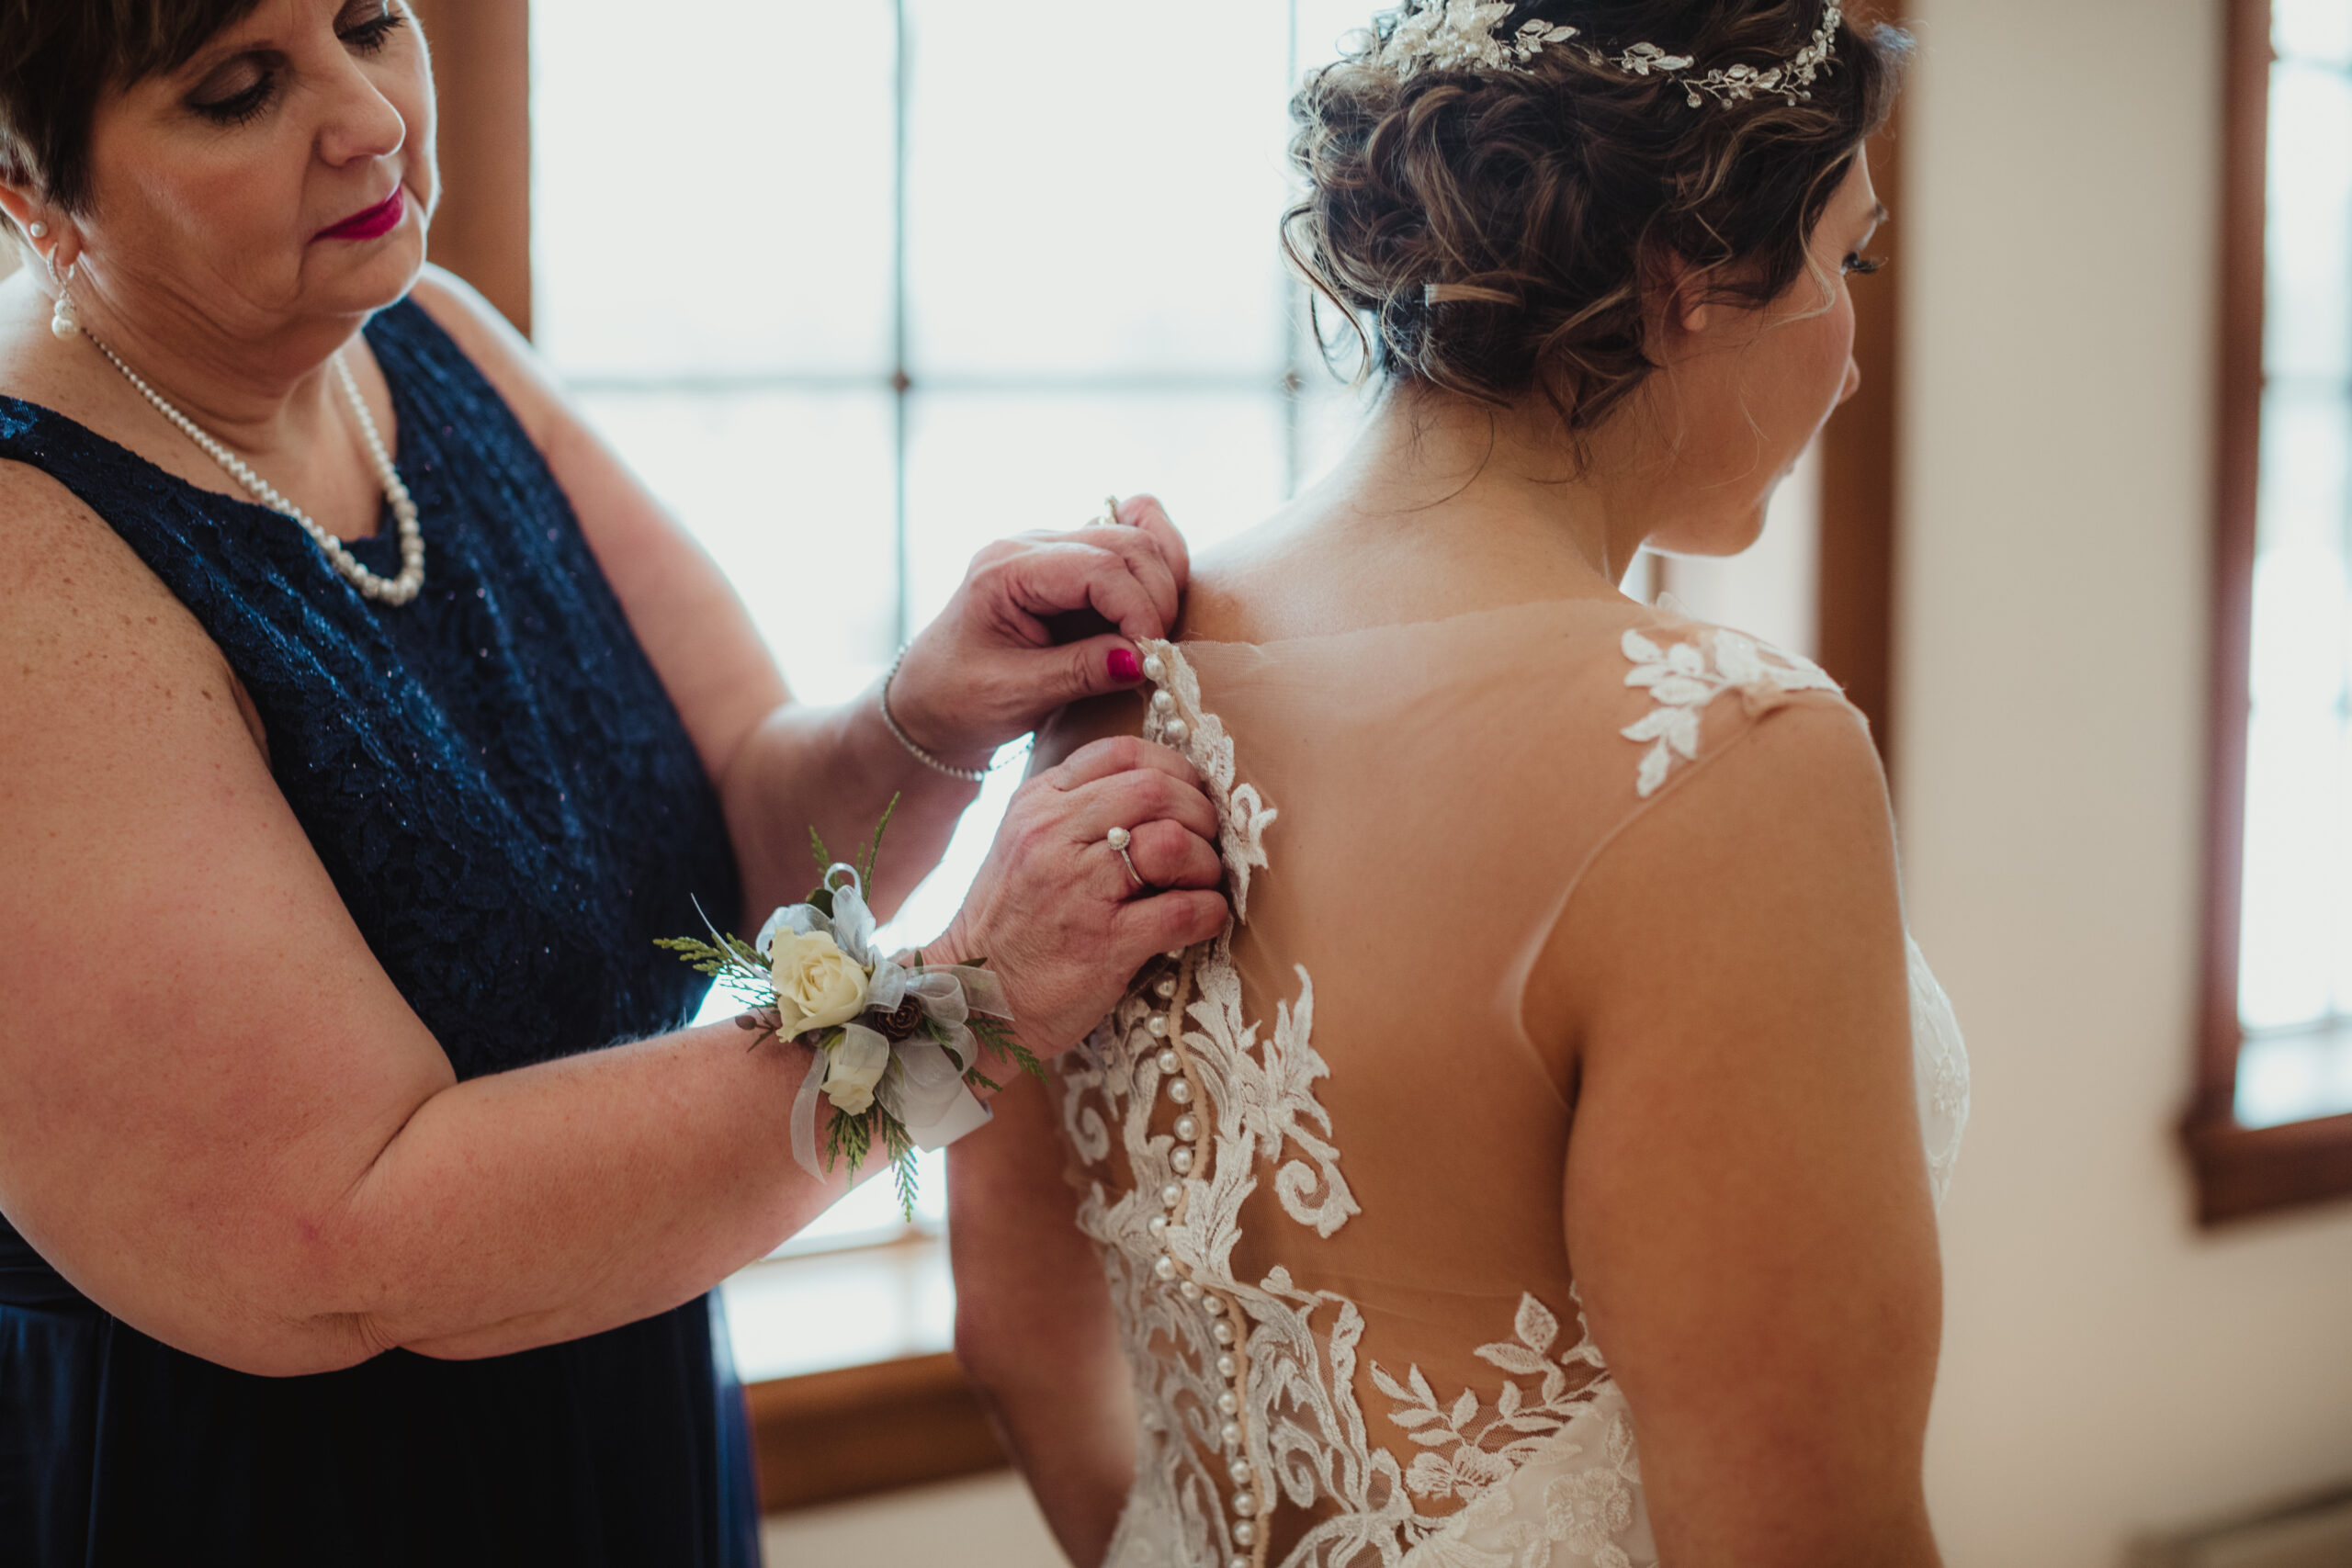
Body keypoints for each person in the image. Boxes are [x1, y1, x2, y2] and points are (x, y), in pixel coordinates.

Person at [0, 2, 1230, 1563]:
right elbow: (346, 1234)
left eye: (371, 21)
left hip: (627, 1384)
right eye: (241, 89)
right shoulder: (27, 563)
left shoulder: (436, 342)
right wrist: (962, 1007)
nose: (371, 119)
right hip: (286, 1498)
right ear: (31, 192)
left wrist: (926, 714)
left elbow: (736, 828)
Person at [948, 2, 1972, 1564]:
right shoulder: (1727, 758)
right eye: (1851, 262)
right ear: (1686, 276)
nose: (1848, 356)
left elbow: (1013, 1322)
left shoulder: (1117, 667)